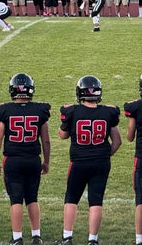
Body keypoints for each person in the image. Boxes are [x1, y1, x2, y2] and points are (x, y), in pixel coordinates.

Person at [56, 76, 121, 245]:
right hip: (101, 162)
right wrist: (105, 154)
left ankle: (67, 237)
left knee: (71, 198)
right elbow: (117, 141)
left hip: (79, 161)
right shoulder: (109, 112)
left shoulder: (72, 111)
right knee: (96, 199)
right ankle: (92, 239)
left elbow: (62, 135)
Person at [0, 73, 51, 245]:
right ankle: (36, 235)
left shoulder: (4, 110)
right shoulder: (40, 110)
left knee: (16, 199)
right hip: (32, 159)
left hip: (13, 161)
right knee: (32, 197)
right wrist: (46, 161)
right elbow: (45, 140)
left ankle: (17, 238)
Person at [124, 75, 142, 245]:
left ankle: (139, 239)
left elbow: (130, 136)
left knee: (140, 199)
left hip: (141, 157)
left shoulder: (135, 107)